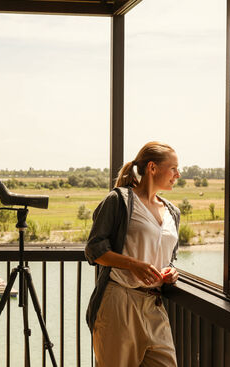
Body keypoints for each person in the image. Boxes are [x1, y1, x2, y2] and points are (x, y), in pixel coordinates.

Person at [85, 141, 181, 367]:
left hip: (155, 305)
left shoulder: (172, 212)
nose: (178, 174)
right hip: (120, 301)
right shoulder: (120, 201)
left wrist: (171, 272)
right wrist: (132, 264)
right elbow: (94, 249)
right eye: (174, 168)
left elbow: (167, 257)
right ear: (152, 168)